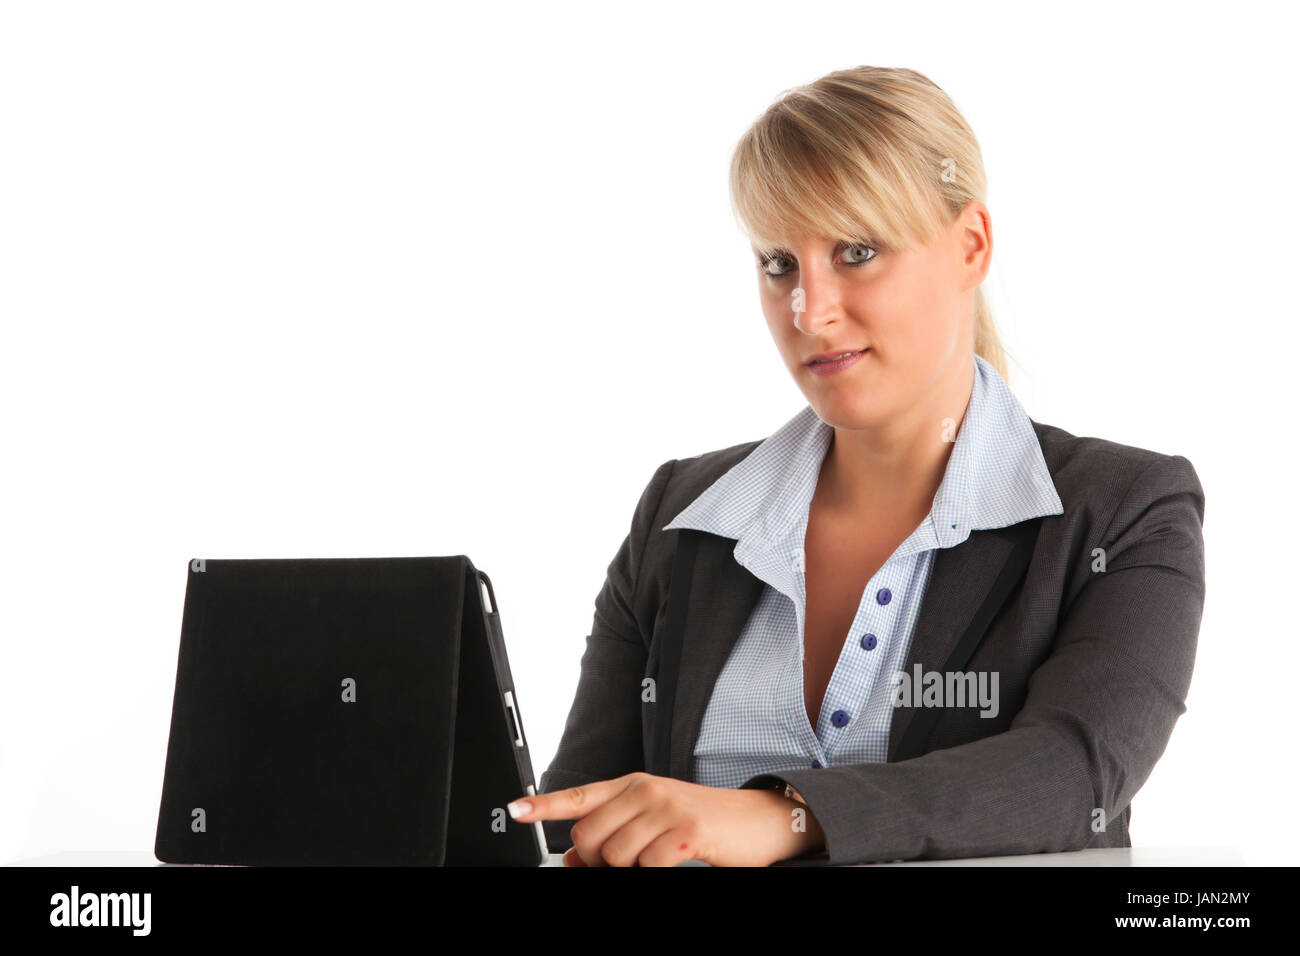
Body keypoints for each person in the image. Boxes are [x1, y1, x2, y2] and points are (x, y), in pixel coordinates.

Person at [505, 65, 1206, 866]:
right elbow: (579, 808)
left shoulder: (1122, 511)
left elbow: (1074, 775)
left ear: (970, 246)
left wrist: (790, 816)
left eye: (856, 251)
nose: (810, 309)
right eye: (779, 265)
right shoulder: (685, 513)